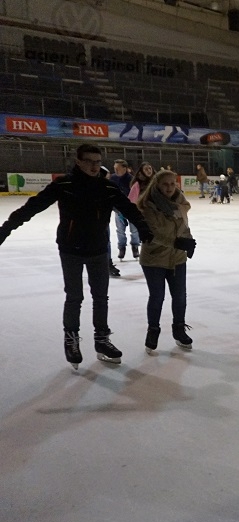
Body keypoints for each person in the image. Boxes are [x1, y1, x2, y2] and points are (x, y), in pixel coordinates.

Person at [0, 144, 152, 368]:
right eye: (89, 161)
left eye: (97, 162)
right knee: (74, 297)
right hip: (70, 249)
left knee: (101, 297)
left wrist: (144, 228)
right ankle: (71, 339)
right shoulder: (64, 184)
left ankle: (102, 339)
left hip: (98, 250)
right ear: (78, 161)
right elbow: (32, 207)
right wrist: (6, 228)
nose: (94, 166)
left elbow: (130, 209)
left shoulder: (107, 187)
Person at [136, 169, 196, 354]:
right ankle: (153, 330)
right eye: (165, 184)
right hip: (154, 258)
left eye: (172, 184)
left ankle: (179, 329)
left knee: (180, 296)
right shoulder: (148, 206)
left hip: (177, 257)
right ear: (157, 185)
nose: (169, 188)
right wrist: (177, 243)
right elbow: (153, 234)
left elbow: (183, 227)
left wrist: (189, 241)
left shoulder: (180, 204)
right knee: (157, 296)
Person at [110, 159, 141, 262]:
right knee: (120, 230)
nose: (115, 170)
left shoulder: (132, 179)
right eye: (114, 168)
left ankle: (135, 246)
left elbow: (136, 195)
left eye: (117, 168)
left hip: (131, 209)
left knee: (134, 229)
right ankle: (121, 247)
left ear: (124, 168)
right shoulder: (113, 178)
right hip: (118, 209)